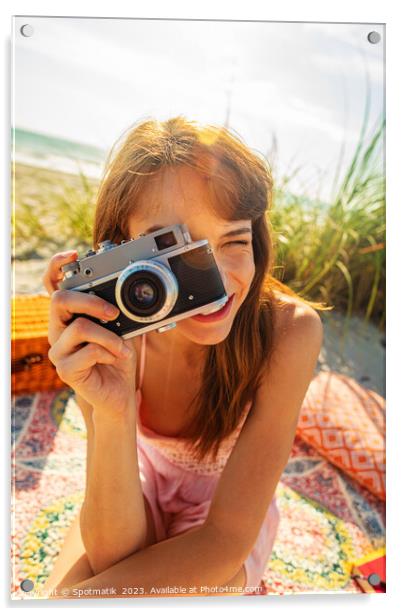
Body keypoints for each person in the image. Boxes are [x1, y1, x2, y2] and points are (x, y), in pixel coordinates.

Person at [41, 116, 327, 599]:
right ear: (116, 253)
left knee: (75, 600)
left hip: (228, 520)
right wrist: (110, 411)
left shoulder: (289, 332)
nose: (212, 278)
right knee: (64, 592)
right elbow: (114, 552)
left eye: (234, 240)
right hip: (140, 484)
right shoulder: (115, 329)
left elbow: (224, 544)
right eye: (172, 249)